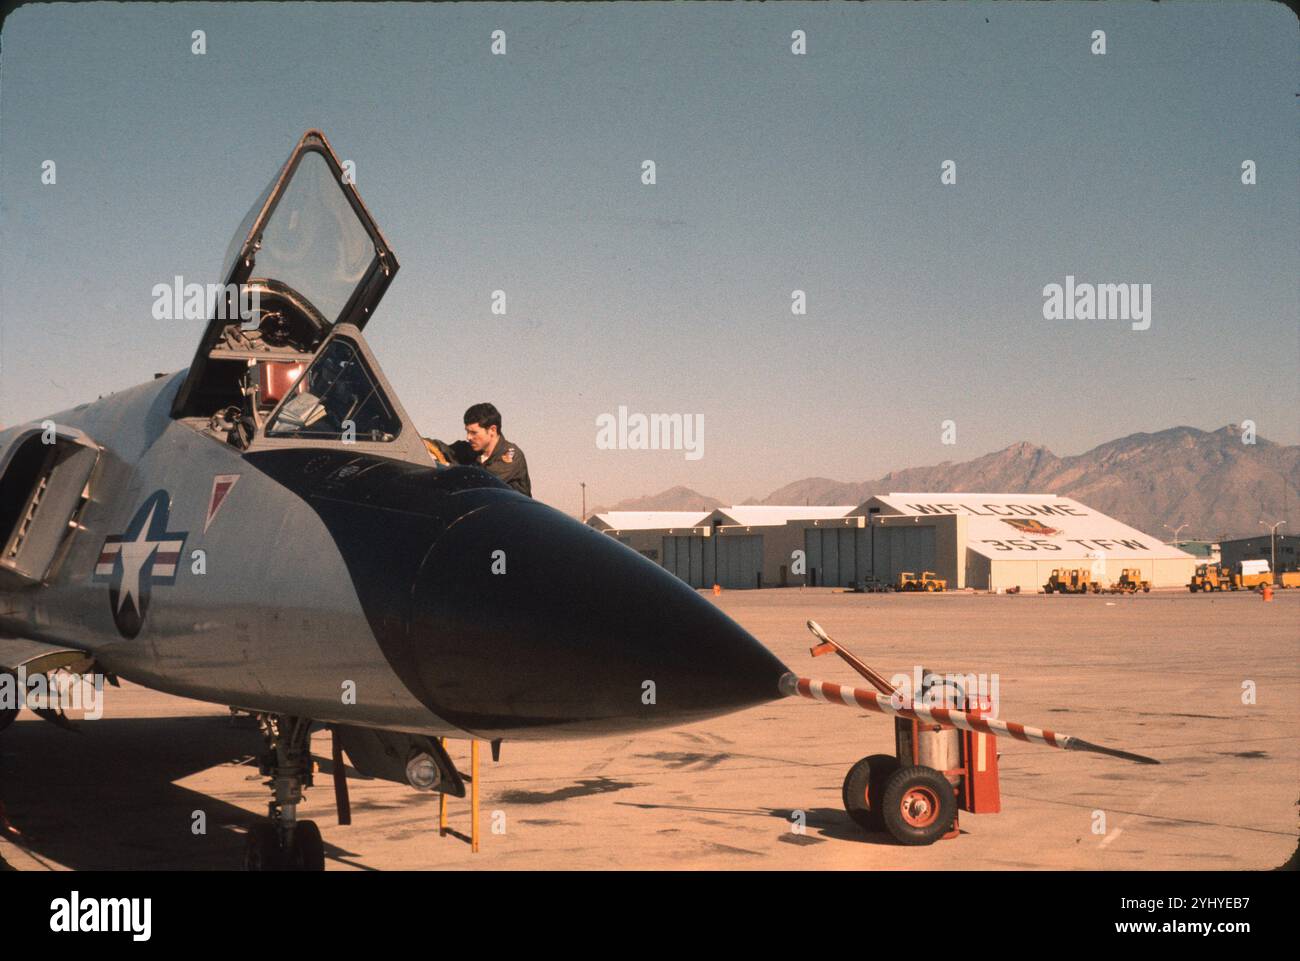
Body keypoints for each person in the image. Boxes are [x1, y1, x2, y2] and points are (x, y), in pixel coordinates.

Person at [428, 403, 531, 497]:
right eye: (467, 432)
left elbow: (481, 480)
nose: (468, 437)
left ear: (492, 430)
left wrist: (448, 466)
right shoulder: (471, 450)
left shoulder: (511, 455)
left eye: (474, 433)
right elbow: (443, 448)